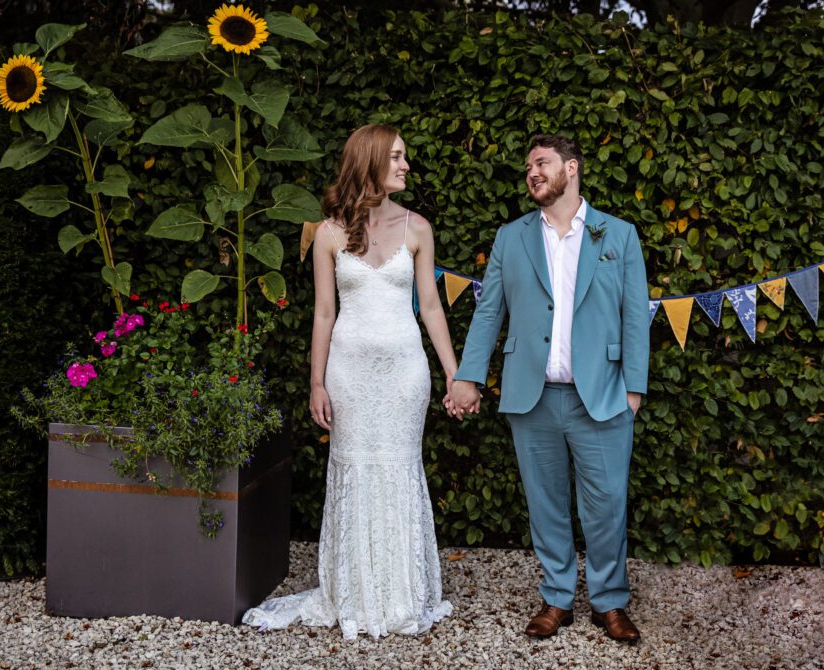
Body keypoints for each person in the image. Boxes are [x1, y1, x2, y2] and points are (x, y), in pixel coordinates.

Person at [243, 123, 455, 639]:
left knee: (399, 468)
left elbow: (430, 305)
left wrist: (455, 373)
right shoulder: (329, 233)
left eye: (406, 157)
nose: (406, 166)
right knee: (356, 471)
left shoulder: (418, 229)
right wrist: (317, 383)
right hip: (350, 376)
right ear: (371, 161)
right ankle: (357, 592)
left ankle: (400, 595)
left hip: (405, 375)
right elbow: (322, 314)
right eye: (398, 157)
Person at [446, 134, 649, 643]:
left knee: (606, 504)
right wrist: (468, 377)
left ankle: (609, 601)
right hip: (531, 395)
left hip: (601, 394)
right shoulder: (511, 238)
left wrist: (635, 389)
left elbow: (634, 317)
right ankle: (557, 597)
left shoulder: (618, 235)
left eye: (542, 163)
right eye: (528, 166)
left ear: (571, 168)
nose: (532, 172)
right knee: (545, 503)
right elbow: (489, 310)